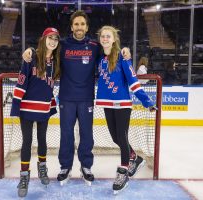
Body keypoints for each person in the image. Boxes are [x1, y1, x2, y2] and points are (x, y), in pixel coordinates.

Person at [22, 10, 131, 186]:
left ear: (87, 27)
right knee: (66, 134)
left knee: (86, 134)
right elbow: (46, 48)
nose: (79, 27)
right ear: (72, 26)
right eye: (76, 24)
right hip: (66, 98)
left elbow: (111, 52)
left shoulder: (95, 46)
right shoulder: (62, 45)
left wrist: (124, 49)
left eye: (82, 24)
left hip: (87, 98)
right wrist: (30, 50)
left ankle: (86, 166)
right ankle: (65, 167)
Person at [95, 26, 157, 194]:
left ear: (114, 39)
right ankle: (135, 158)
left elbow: (134, 82)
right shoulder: (99, 58)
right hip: (107, 104)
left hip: (122, 104)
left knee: (122, 137)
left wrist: (147, 101)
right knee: (115, 137)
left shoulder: (123, 58)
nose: (105, 38)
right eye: (103, 36)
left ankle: (123, 173)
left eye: (108, 36)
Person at [10, 27, 61, 197]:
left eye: (56, 39)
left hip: (44, 108)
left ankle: (42, 169)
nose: (53, 41)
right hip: (27, 108)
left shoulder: (56, 62)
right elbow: (21, 82)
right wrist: (16, 107)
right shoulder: (31, 57)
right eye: (50, 38)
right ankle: (24, 176)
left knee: (42, 140)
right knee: (27, 142)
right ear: (43, 38)